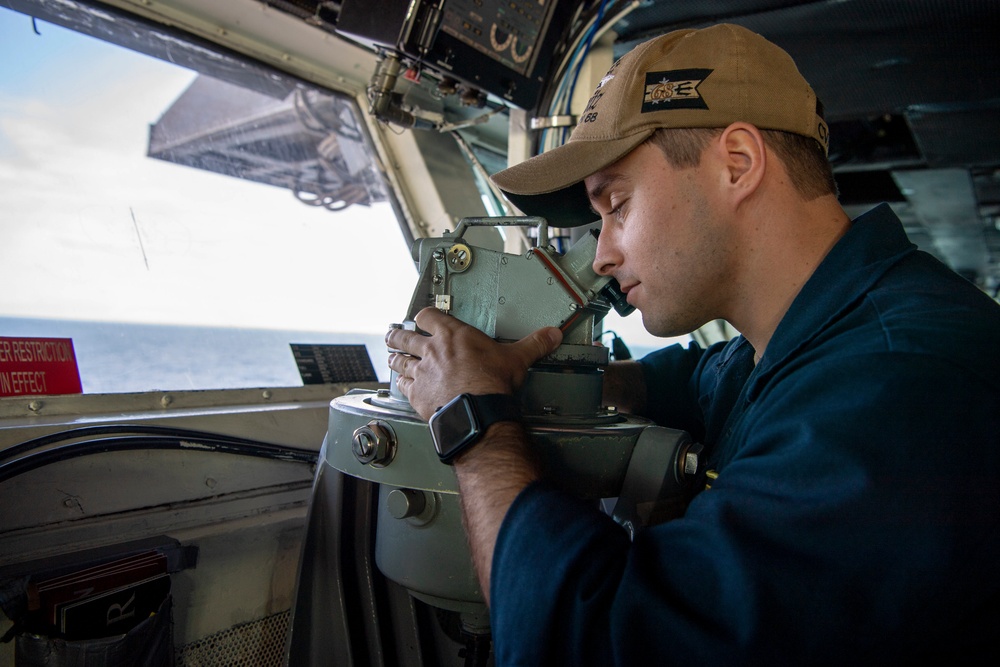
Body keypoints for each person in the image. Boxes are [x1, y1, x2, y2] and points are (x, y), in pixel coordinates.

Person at [385, 23, 1000, 665]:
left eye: (616, 204)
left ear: (737, 163)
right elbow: (703, 376)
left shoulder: (896, 387)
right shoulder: (810, 335)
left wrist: (476, 420)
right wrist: (559, 376)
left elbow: (590, 643)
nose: (602, 255)